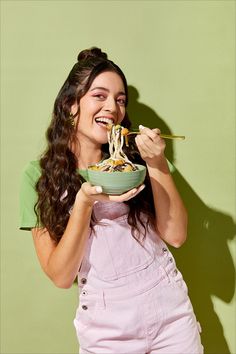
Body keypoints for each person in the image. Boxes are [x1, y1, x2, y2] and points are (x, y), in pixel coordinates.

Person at [19, 47, 203, 354]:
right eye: (99, 96)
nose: (113, 108)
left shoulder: (138, 160)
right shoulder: (37, 176)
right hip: (106, 330)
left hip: (171, 316)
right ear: (70, 105)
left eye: (120, 100)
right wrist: (83, 203)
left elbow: (177, 235)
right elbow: (62, 276)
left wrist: (156, 164)